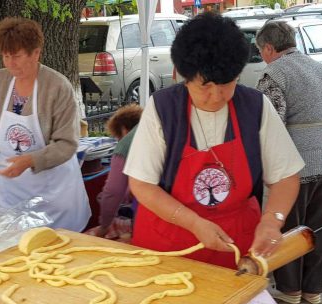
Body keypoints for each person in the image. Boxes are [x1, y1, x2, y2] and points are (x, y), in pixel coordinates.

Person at [124, 13, 304, 270]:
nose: (216, 96)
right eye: (204, 86)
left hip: (235, 247)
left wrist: (272, 220)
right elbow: (142, 184)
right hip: (168, 245)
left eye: (226, 84)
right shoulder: (163, 108)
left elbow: (286, 176)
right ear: (183, 77)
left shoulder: (255, 107)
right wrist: (195, 223)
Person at [255, 21, 322, 304]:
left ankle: (290, 289)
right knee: (321, 226)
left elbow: (270, 124)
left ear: (270, 48)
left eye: (262, 50)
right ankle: (313, 290)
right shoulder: (319, 67)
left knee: (289, 226)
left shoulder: (275, 73)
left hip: (299, 163)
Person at [0, 17, 90, 232]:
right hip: (9, 188)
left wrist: (31, 160)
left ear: (36, 53)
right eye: (5, 56)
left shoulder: (57, 86)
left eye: (17, 56)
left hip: (51, 192)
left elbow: (67, 143)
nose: (10, 63)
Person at [87, 105, 142, 240]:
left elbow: (113, 192)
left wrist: (104, 226)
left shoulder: (126, 143)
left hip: (150, 218)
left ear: (123, 129)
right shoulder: (158, 127)